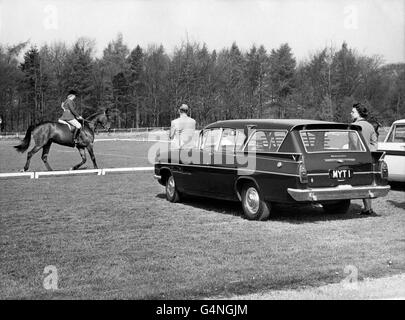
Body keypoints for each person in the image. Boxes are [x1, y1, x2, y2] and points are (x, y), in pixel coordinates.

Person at [350, 102, 378, 215]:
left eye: (353, 112)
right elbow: (375, 143)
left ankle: (367, 208)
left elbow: (353, 144)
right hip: (370, 157)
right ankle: (368, 208)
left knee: (361, 183)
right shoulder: (370, 126)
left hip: (358, 158)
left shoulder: (354, 127)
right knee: (367, 182)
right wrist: (370, 152)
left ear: (359, 113)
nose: (350, 113)